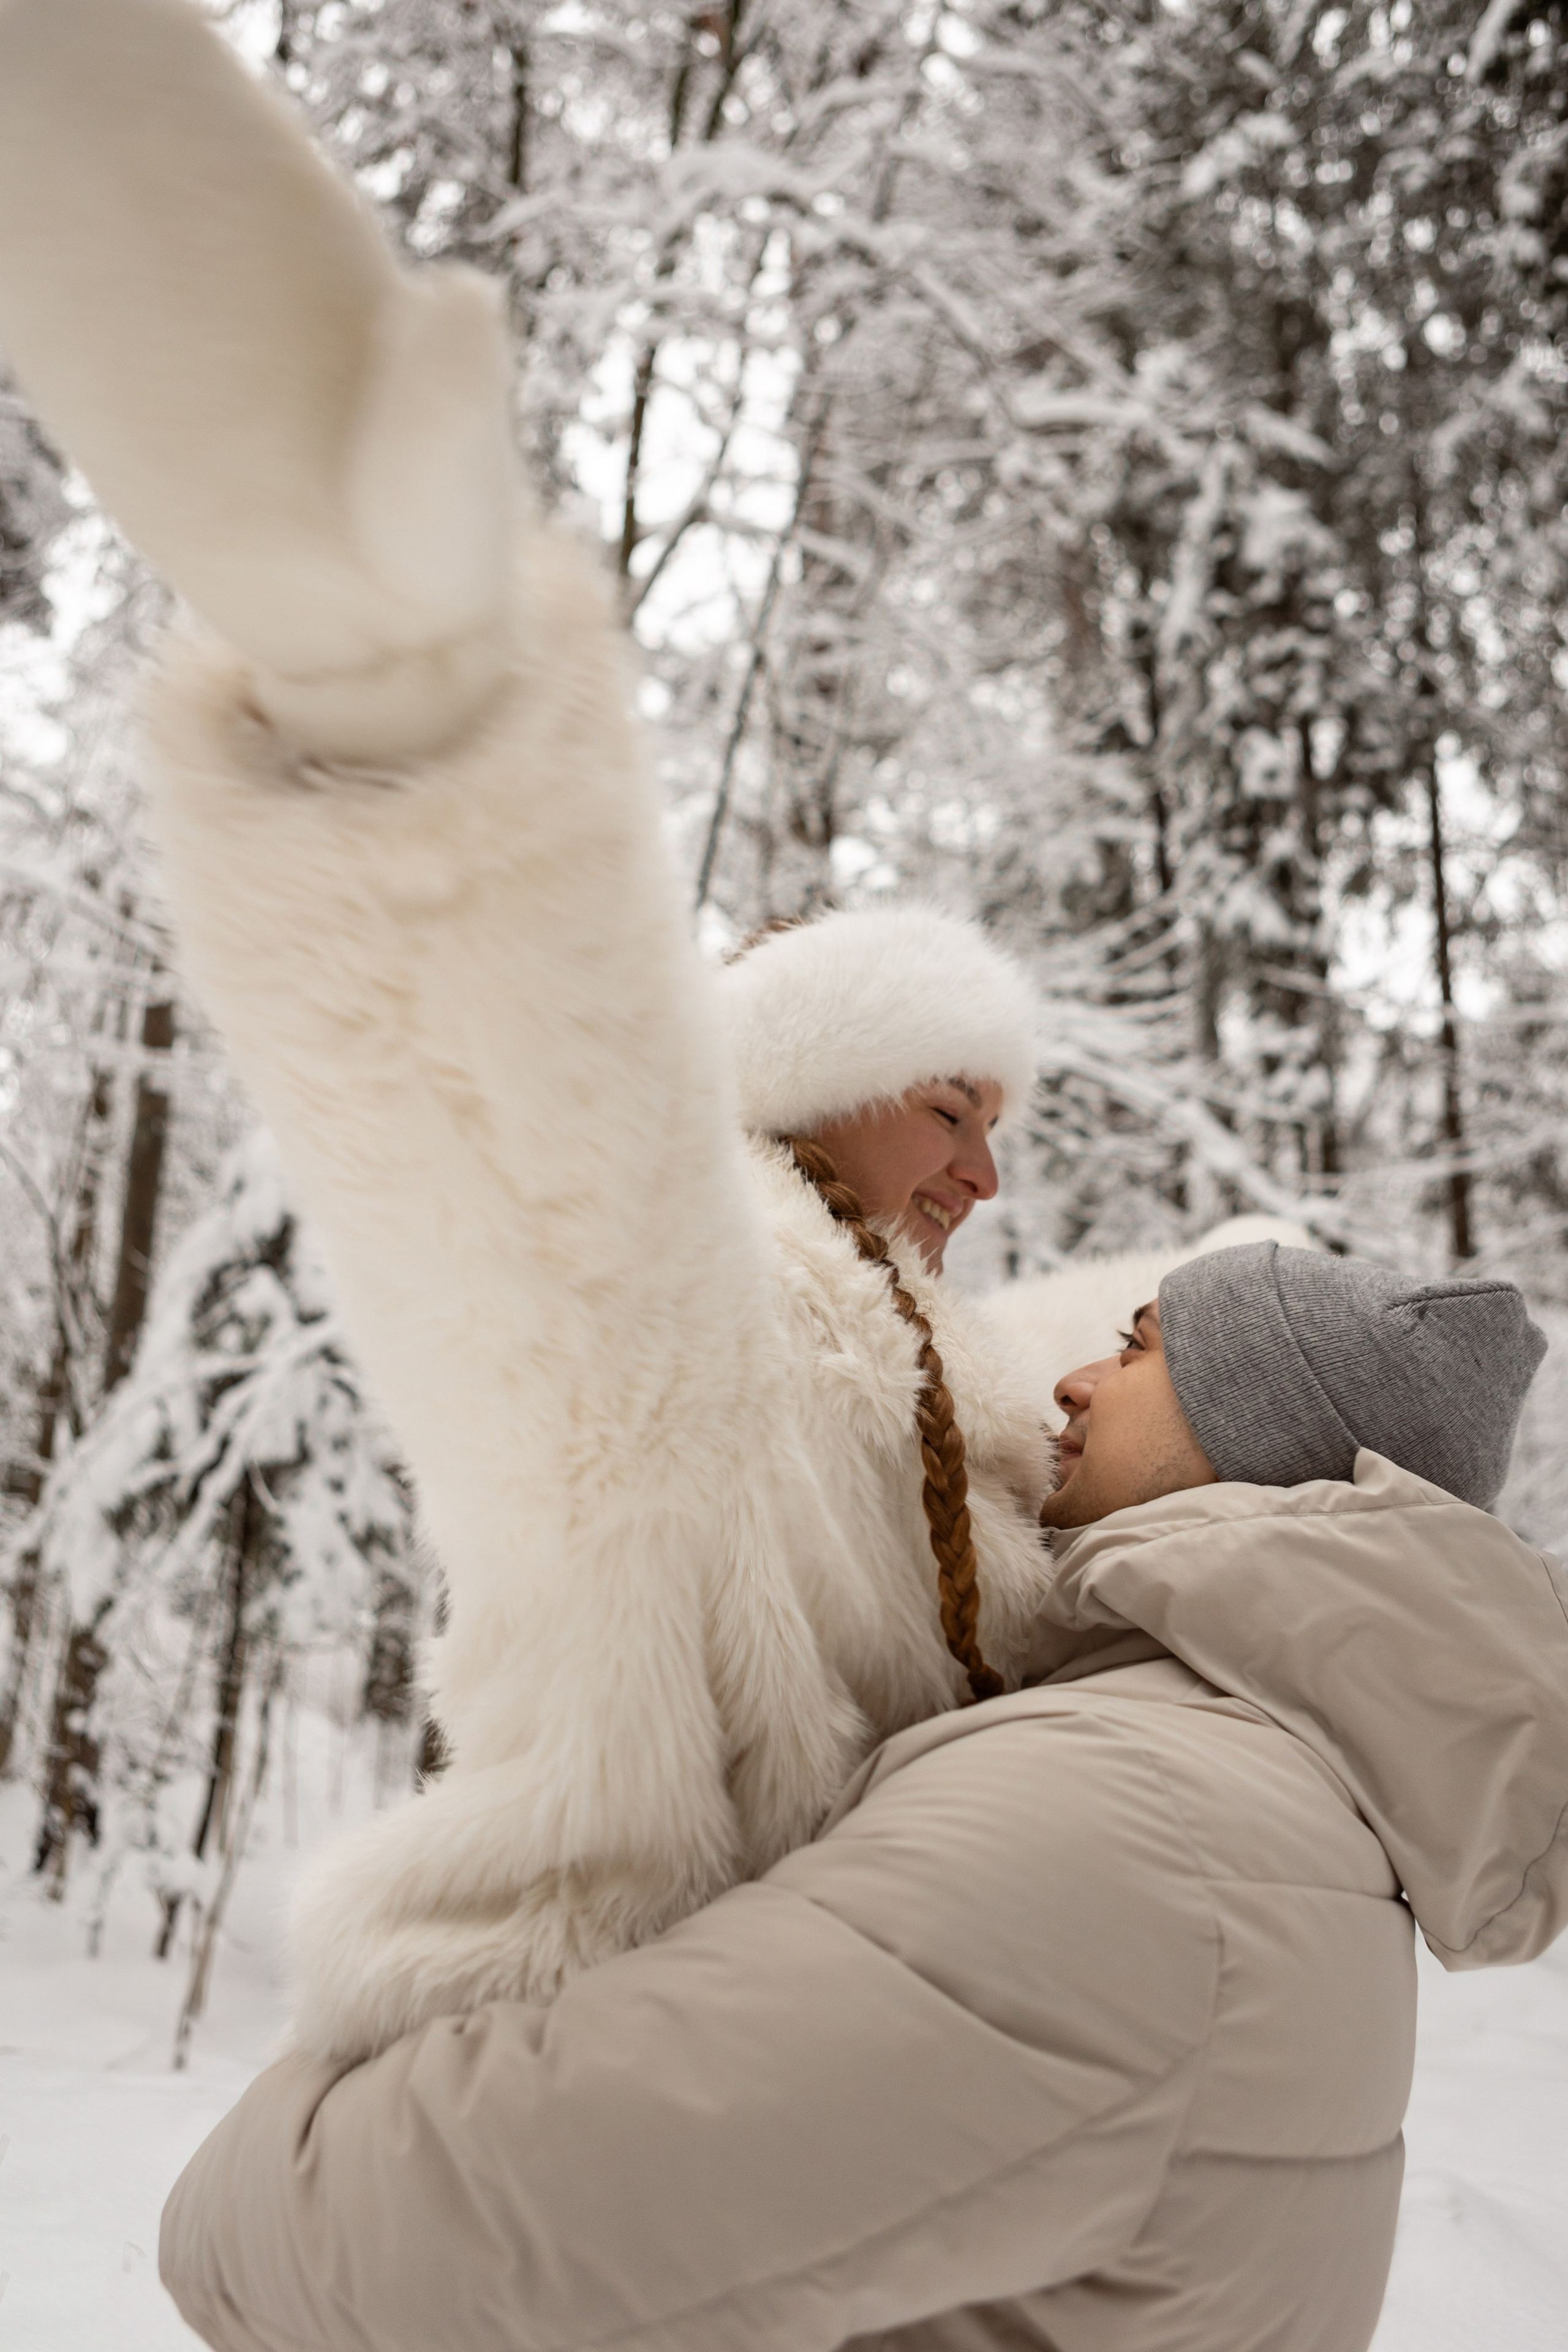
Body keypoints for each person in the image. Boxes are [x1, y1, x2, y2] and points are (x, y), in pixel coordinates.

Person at [0, 0, 1279, 2069]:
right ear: (817, 1086)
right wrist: (413, 740)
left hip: (790, 2107)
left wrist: (1318, 1348)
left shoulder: (943, 1381)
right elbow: (539, 1159)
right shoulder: (706, 1300)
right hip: (553, 2073)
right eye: (949, 1107)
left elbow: (1191, 1361)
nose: (985, 1170)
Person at [156, 1237, 1568, 2352]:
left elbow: (375, 2242)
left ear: (1261, 1435)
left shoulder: (1125, 1824)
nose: (1074, 1383)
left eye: (1139, 1349)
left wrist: (299, 2116)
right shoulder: (1259, 1802)